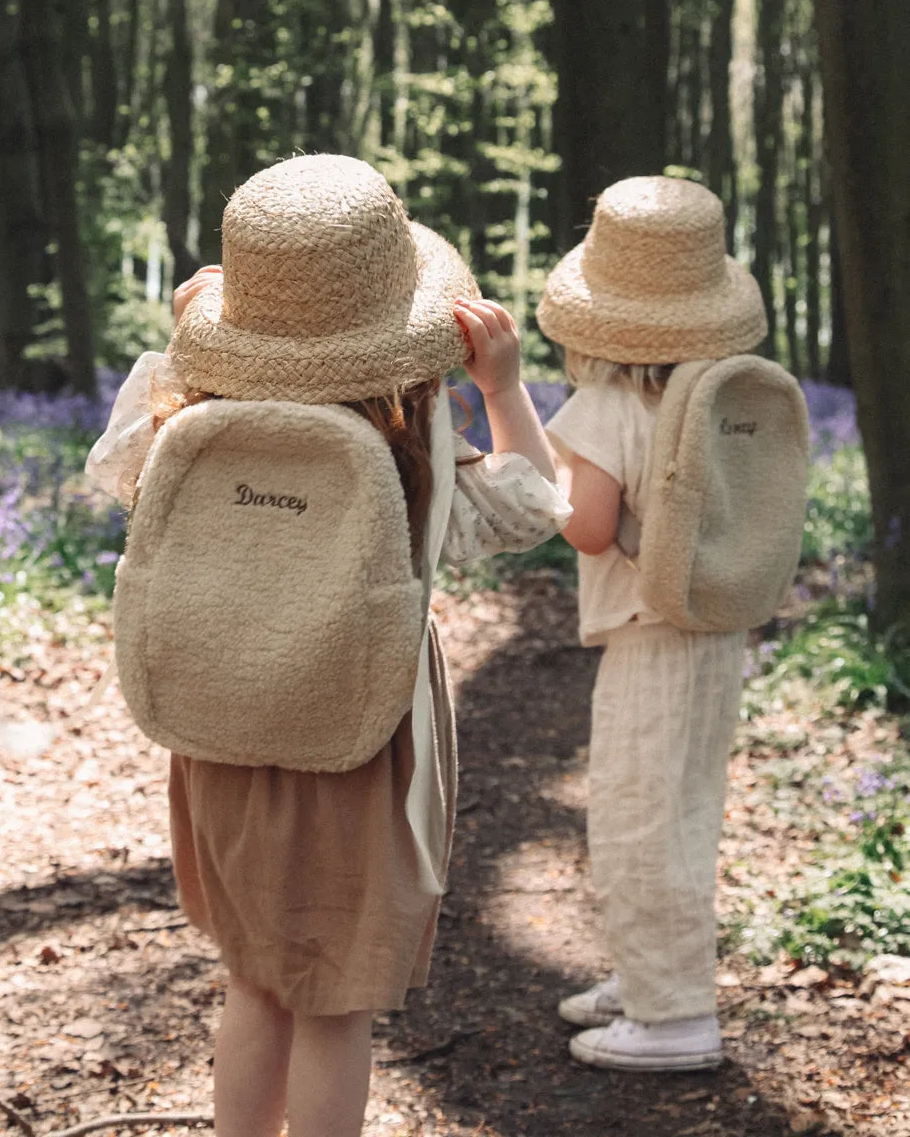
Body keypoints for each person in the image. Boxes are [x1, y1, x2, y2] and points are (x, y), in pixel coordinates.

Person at [86, 153, 570, 1137]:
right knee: (332, 999)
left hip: (220, 731)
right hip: (358, 736)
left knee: (255, 980)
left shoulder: (192, 422)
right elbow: (535, 507)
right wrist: (504, 388)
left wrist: (189, 351)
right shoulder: (420, 440)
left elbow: (116, 465)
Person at [535, 175, 770, 1073]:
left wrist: (538, 489)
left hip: (645, 629)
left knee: (636, 816)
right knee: (683, 810)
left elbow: (589, 527)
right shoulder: (717, 399)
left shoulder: (604, 408)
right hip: (714, 622)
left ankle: (672, 1018)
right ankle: (650, 977)